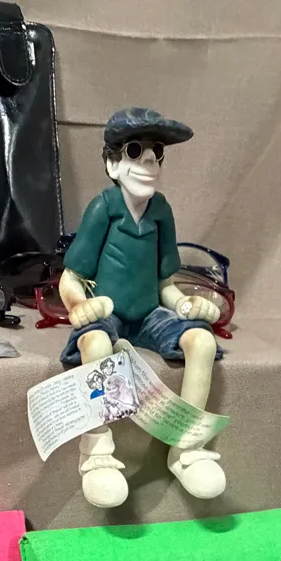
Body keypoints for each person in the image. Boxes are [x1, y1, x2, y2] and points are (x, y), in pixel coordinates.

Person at [57, 107, 225, 508]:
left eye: (157, 152)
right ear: (113, 163)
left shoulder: (161, 211)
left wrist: (185, 303)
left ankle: (187, 447)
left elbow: (165, 282)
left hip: (150, 314)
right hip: (108, 312)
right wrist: (79, 305)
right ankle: (96, 450)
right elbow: (70, 277)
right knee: (96, 344)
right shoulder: (104, 208)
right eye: (136, 150)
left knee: (202, 341)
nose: (149, 159)